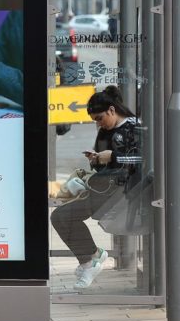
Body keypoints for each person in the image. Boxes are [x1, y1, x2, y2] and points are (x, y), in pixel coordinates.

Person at [50, 86, 141, 289]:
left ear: (111, 110)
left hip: (125, 192)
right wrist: (96, 159)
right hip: (104, 187)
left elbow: (146, 159)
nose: (98, 123)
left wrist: (114, 156)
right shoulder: (103, 131)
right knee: (59, 216)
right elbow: (102, 163)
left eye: (100, 118)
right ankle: (90, 258)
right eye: (94, 120)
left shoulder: (134, 127)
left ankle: (90, 259)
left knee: (63, 216)